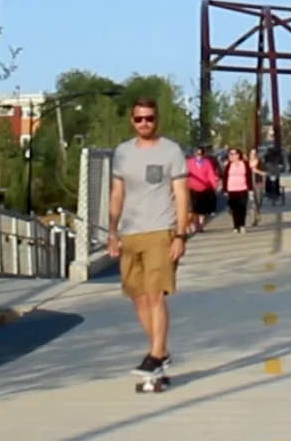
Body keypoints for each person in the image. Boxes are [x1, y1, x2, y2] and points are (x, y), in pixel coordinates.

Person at [107, 98, 191, 379]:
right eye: (139, 118)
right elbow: (117, 193)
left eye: (150, 118)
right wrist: (112, 232)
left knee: (155, 295)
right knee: (138, 297)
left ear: (158, 119)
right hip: (130, 232)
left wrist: (180, 234)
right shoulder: (122, 153)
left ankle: (155, 355)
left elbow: (181, 194)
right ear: (132, 121)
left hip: (161, 231)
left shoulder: (171, 151)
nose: (145, 123)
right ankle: (162, 351)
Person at [186, 146, 221, 234]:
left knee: (203, 210)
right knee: (194, 209)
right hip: (192, 188)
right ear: (194, 154)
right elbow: (185, 175)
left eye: (201, 153)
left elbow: (211, 174)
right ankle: (196, 224)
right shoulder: (189, 163)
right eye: (198, 153)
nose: (199, 155)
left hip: (205, 188)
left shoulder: (207, 163)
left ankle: (201, 226)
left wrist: (214, 186)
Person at [224, 147, 254, 231]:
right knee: (234, 208)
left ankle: (242, 225)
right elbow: (225, 178)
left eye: (234, 154)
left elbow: (248, 177)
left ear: (238, 155)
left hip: (243, 188)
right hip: (232, 189)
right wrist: (225, 190)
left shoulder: (245, 164)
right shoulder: (228, 165)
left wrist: (250, 189)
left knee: (242, 207)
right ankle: (236, 225)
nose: (232, 156)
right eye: (230, 154)